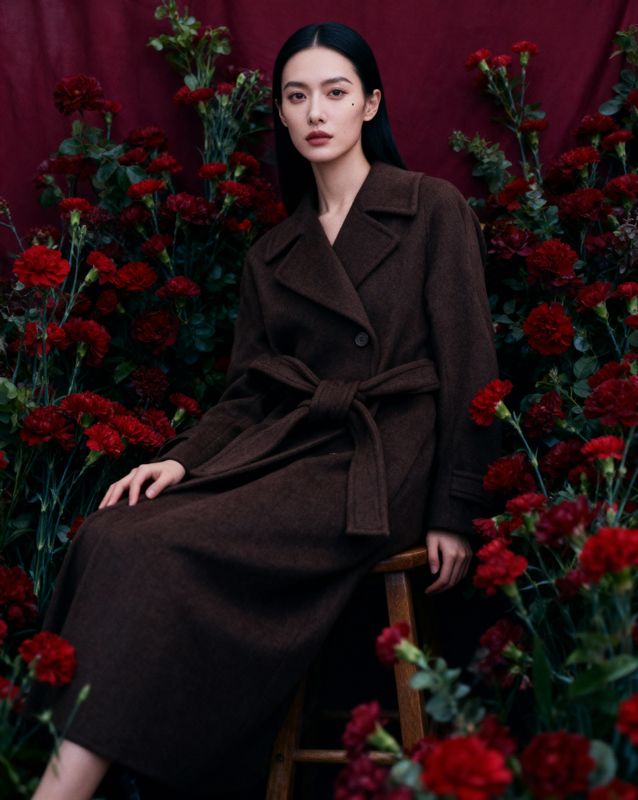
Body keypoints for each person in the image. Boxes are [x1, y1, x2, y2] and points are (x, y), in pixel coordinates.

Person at [27, 21, 501, 800]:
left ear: (369, 103)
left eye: (335, 92)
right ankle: (65, 783)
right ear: (279, 112)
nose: (316, 111)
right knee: (113, 535)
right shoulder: (274, 254)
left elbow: (471, 366)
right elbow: (250, 394)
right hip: (289, 450)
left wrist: (457, 509)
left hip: (383, 462)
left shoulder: (431, 209)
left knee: (153, 550)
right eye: (297, 96)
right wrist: (178, 460)